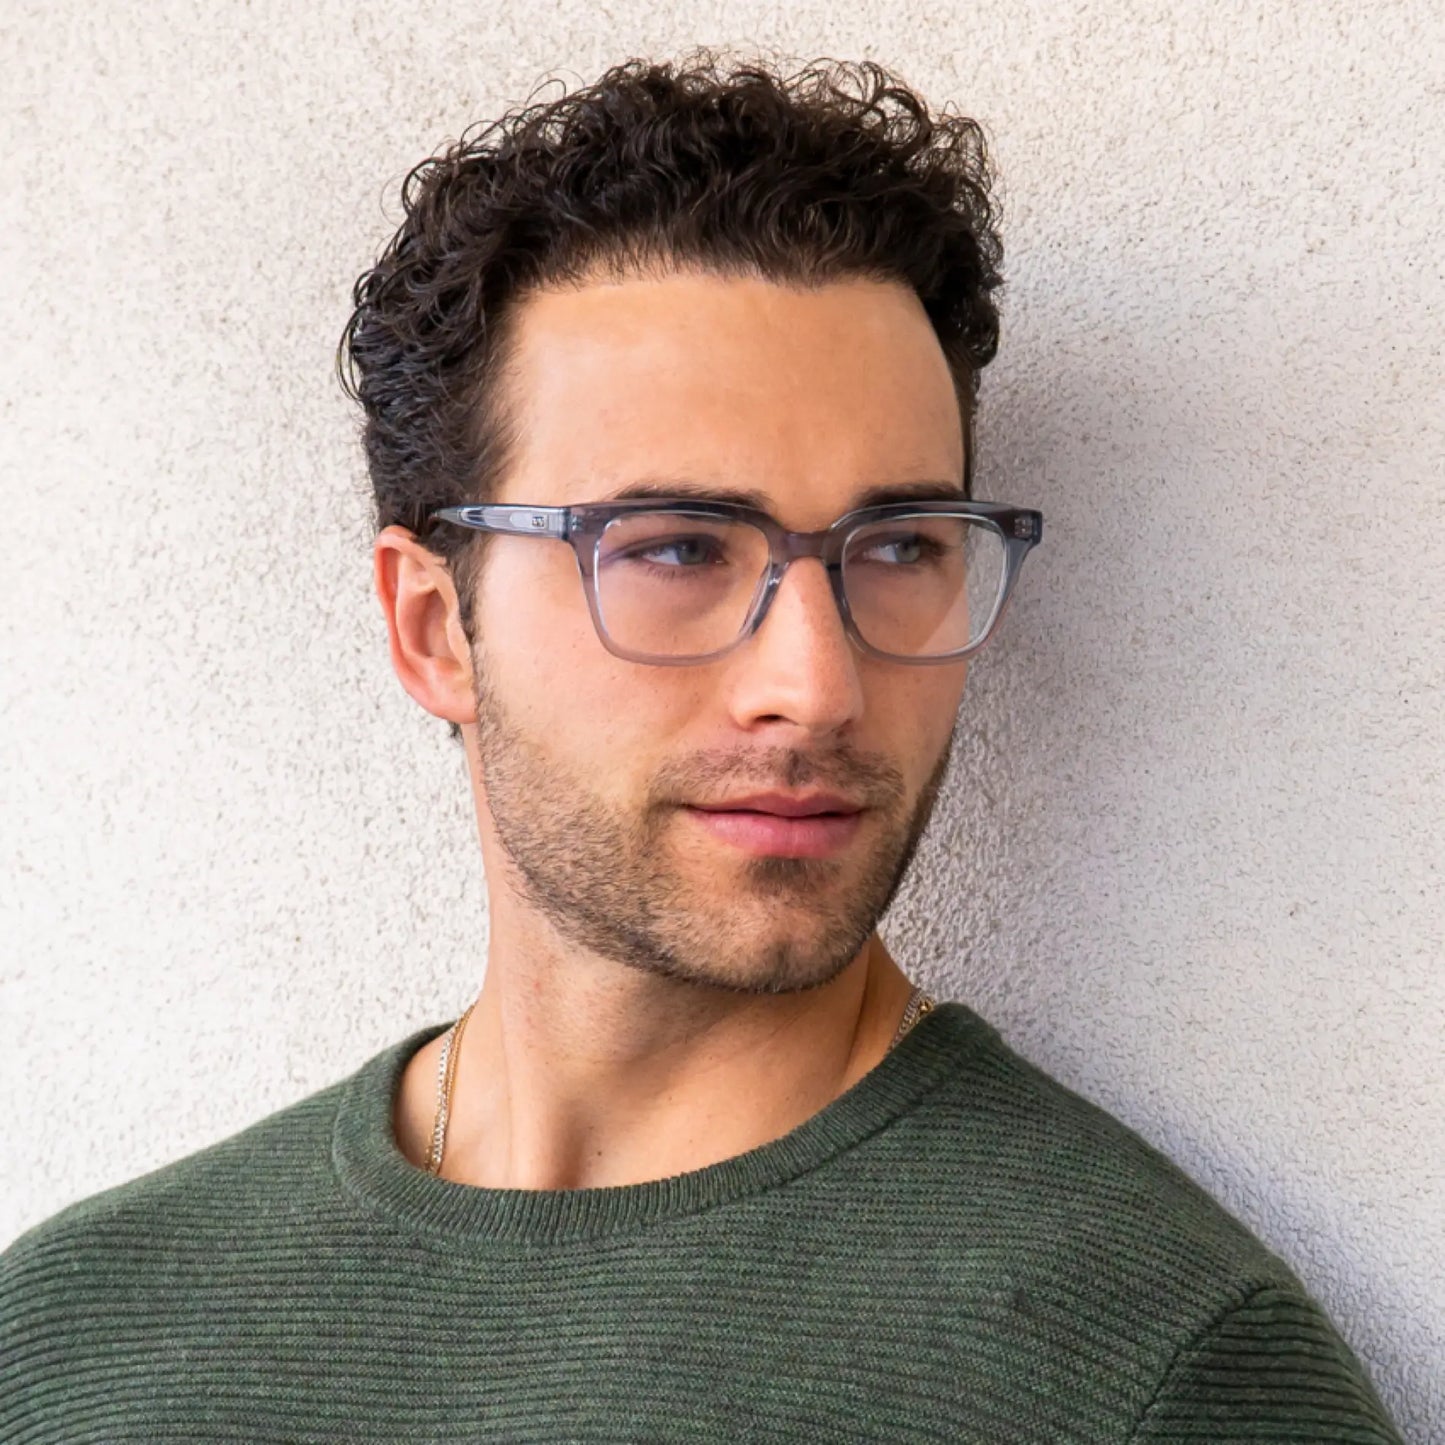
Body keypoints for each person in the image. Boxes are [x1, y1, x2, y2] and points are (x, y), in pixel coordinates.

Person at [0, 52, 1405, 1443]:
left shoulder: (1153, 1369)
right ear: (433, 627)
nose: (818, 682)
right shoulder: (72, 1335)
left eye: (902, 545)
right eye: (673, 546)